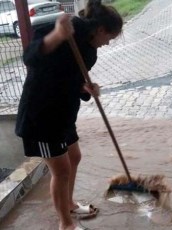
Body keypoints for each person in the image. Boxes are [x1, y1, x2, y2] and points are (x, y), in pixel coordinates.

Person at [15, 0, 123, 229]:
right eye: (110, 39)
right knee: (61, 170)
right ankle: (65, 224)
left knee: (74, 157)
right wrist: (57, 36)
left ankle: (70, 204)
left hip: (63, 113)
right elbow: (30, 58)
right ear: (101, 30)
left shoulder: (90, 51)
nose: (107, 44)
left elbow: (70, 79)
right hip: (41, 116)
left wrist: (86, 88)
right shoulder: (63, 30)